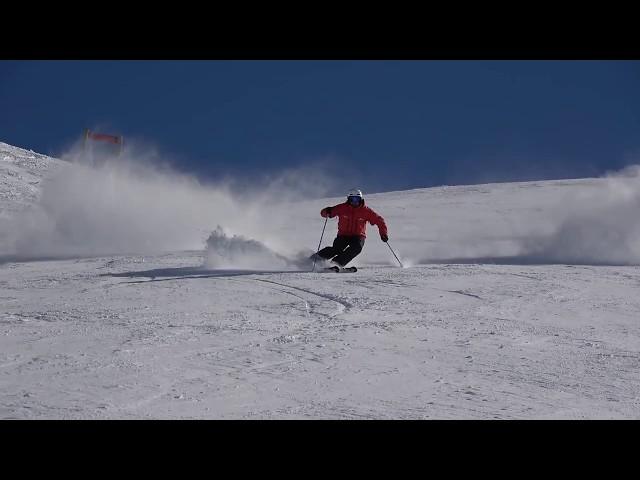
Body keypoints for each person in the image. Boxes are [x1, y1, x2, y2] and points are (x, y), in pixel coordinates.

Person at [312, 189, 388, 269]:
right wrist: (327, 211)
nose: (355, 202)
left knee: (357, 248)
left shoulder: (366, 211)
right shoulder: (342, 208)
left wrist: (383, 234)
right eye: (352, 199)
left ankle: (336, 264)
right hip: (343, 235)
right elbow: (324, 213)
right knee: (337, 249)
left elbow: (380, 221)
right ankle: (314, 259)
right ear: (349, 199)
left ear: (361, 199)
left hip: (358, 236)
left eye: (357, 199)